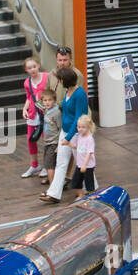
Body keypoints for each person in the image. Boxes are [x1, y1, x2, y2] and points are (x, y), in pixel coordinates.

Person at [41, 68, 87, 203]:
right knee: (61, 163)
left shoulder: (80, 94)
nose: (59, 81)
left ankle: (91, 187)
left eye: (60, 79)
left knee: (82, 162)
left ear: (65, 80)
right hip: (65, 131)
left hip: (76, 134)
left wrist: (68, 137)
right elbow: (65, 107)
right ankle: (54, 193)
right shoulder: (68, 91)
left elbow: (78, 117)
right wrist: (53, 106)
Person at [20, 57, 55, 178]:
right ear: (26, 70)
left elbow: (51, 93)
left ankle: (47, 165)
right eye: (29, 68)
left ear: (38, 65)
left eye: (34, 66)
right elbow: (30, 97)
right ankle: (34, 165)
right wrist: (25, 108)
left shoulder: (46, 77)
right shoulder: (27, 82)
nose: (32, 69)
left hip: (46, 113)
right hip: (33, 114)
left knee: (47, 140)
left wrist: (47, 108)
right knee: (31, 139)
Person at [39, 88, 60, 191]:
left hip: (53, 142)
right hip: (47, 141)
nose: (47, 102)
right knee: (48, 164)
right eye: (45, 100)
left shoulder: (56, 113)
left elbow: (60, 127)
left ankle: (52, 187)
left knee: (50, 164)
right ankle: (53, 184)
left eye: (49, 100)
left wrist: (59, 143)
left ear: (54, 100)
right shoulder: (47, 111)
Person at [70, 115, 96, 193]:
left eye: (83, 127)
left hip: (88, 166)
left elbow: (89, 153)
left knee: (89, 183)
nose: (80, 129)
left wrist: (85, 165)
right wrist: (69, 144)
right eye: (79, 127)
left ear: (88, 127)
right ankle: (81, 195)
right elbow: (77, 147)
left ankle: (91, 197)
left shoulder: (89, 139)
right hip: (79, 164)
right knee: (76, 182)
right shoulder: (79, 136)